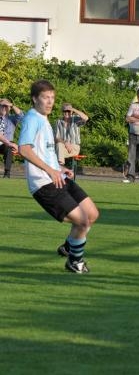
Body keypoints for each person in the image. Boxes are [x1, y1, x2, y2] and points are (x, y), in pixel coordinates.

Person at [18, 80, 99, 274]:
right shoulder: (32, 118)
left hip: (57, 176)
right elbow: (24, 149)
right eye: (45, 97)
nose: (50, 102)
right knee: (82, 221)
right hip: (43, 183)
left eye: (52, 98)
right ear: (34, 99)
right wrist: (50, 170)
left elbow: (44, 151)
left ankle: (68, 247)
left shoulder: (44, 119)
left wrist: (59, 167)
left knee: (92, 214)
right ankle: (74, 261)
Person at [0, 98, 24, 178]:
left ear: (9, 108)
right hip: (4, 141)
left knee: (10, 147)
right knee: (10, 144)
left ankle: (7, 173)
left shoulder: (12, 119)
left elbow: (21, 115)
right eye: (2, 106)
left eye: (6, 106)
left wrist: (11, 105)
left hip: (6, 144)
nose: (4, 108)